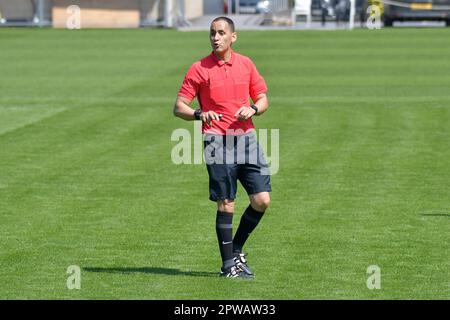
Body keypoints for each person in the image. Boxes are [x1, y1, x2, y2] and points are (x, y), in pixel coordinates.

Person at [173, 16, 271, 279]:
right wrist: (198, 115)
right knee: (226, 203)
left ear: (233, 37)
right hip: (216, 141)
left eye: (221, 33)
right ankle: (228, 266)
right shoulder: (199, 69)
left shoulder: (246, 64)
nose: (215, 38)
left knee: (262, 200)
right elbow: (179, 106)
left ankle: (236, 249)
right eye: (212, 33)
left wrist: (251, 108)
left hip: (246, 138)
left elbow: (262, 99)